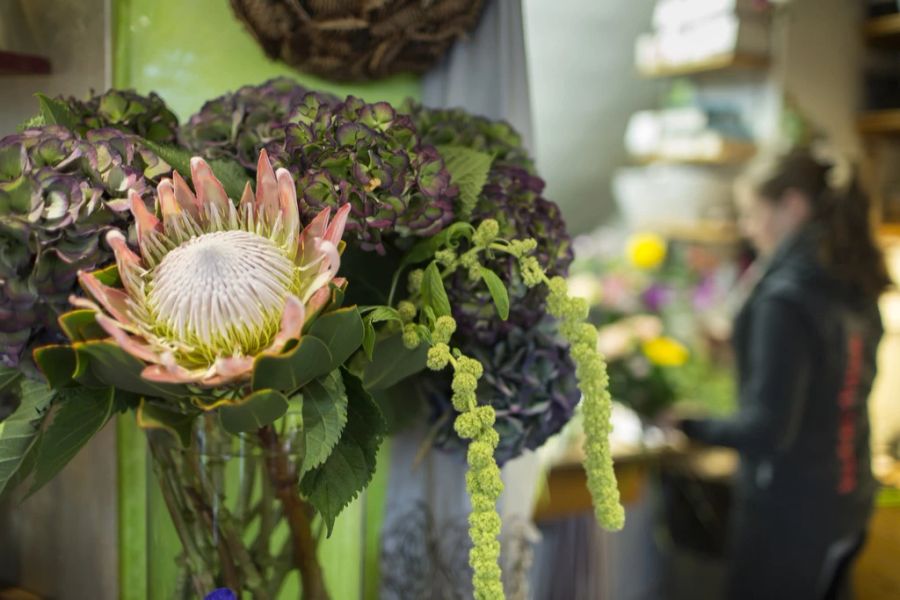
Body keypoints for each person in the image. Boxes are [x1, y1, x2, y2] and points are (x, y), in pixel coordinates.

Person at [678, 148, 890, 600]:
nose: (749, 229)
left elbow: (769, 429)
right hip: (848, 498)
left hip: (793, 514)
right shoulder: (853, 279)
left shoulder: (784, 297)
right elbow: (832, 385)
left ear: (792, 206)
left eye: (753, 214)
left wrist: (686, 423)